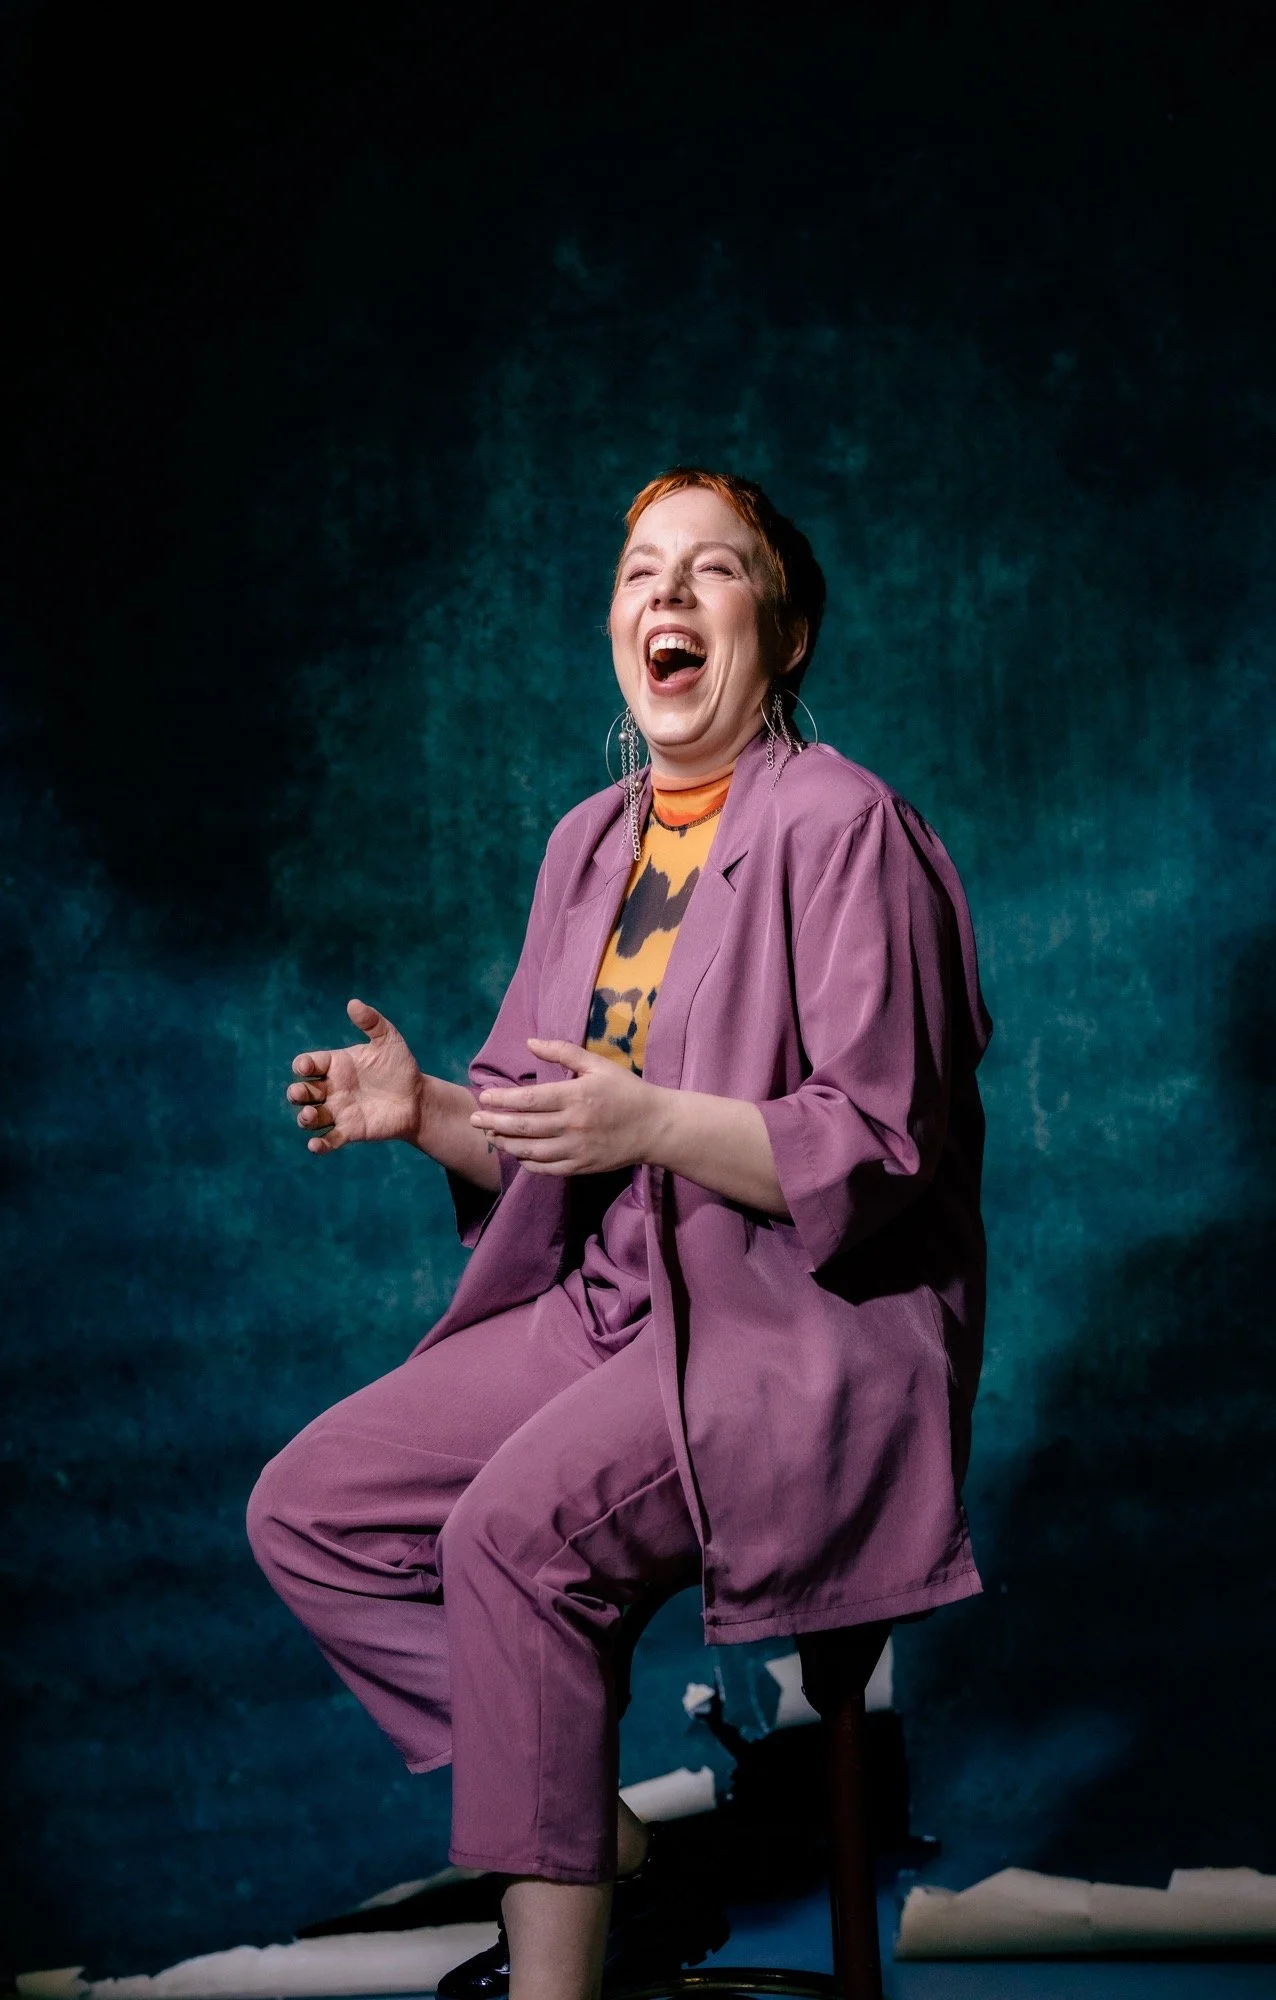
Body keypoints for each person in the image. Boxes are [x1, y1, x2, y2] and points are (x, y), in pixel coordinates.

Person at [247, 468, 993, 2000]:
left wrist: (653, 1124)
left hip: (785, 1334)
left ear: (782, 634)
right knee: (310, 1512)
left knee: (510, 1544)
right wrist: (426, 1107)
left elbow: (882, 1143)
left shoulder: (847, 827)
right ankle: (621, 1864)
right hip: (605, 1312)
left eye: (712, 570)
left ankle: (558, 1984)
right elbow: (553, 1131)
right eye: (642, 567)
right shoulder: (589, 845)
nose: (667, 593)